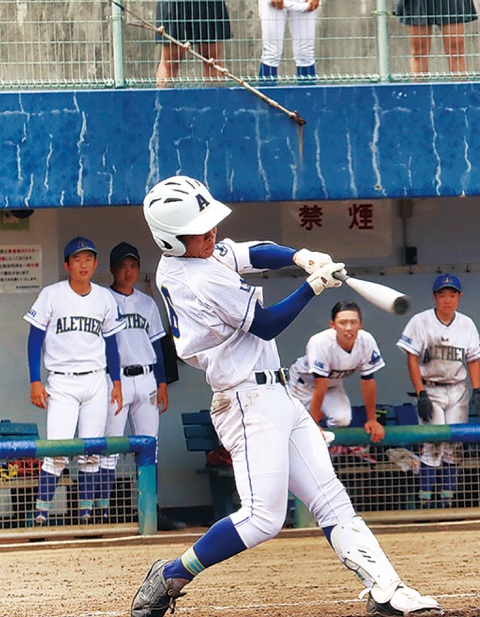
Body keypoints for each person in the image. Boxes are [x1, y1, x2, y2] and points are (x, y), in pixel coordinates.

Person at [131, 176, 439, 617]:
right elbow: (266, 324)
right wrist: (312, 286)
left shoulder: (198, 249)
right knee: (263, 519)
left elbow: (249, 251)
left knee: (331, 497)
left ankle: (386, 590)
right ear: (171, 240)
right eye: (200, 230)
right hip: (243, 400)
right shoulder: (195, 278)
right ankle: (169, 577)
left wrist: (300, 256)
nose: (211, 233)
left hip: (275, 393)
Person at [24, 237, 123, 525]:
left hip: (96, 380)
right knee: (56, 452)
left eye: (89, 258)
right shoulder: (51, 295)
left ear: (95, 263)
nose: (83, 264)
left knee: (92, 453)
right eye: (77, 259)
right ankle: (41, 515)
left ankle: (86, 516)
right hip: (62, 381)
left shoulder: (104, 297)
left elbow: (112, 344)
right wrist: (34, 381)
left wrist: (116, 381)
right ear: (67, 264)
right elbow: (34, 340)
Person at [396, 273, 480, 507]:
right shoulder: (420, 321)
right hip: (432, 388)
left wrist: (477, 390)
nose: (447, 300)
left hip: (457, 389)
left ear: (459, 297)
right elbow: (411, 358)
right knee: (432, 445)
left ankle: (447, 503)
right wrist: (420, 393)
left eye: (452, 295)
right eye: (442, 295)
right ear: (435, 297)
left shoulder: (466, 324)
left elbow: (473, 359)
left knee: (454, 447)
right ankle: (426, 504)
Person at [102, 242, 168, 522]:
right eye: (122, 266)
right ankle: (102, 510)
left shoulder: (147, 302)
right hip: (115, 380)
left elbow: (158, 344)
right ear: (113, 270)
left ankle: (150, 510)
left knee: (150, 445)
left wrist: (163, 383)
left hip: (147, 378)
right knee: (110, 447)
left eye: (133, 266)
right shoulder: (103, 299)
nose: (128, 272)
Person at [287, 301, 386, 442]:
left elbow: (368, 380)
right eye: (343, 322)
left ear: (360, 324)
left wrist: (372, 420)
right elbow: (320, 383)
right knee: (296, 426)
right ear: (333, 325)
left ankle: (325, 446)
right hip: (303, 385)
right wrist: (313, 423)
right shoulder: (320, 342)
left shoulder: (366, 341)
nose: (348, 328)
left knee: (342, 419)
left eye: (353, 322)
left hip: (332, 386)